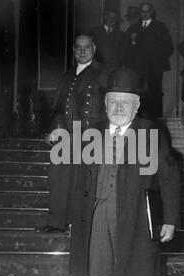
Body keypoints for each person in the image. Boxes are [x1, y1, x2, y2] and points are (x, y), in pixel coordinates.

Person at [69, 68, 181, 276]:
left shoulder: (153, 132)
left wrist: (170, 219)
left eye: (125, 103)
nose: (119, 108)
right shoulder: (92, 133)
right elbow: (79, 179)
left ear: (137, 106)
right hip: (96, 213)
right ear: (106, 104)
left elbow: (169, 178)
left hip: (136, 215)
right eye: (113, 102)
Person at [43, 35, 108, 233]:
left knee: (84, 182)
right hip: (67, 134)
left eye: (86, 47)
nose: (82, 51)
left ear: (94, 48)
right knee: (58, 176)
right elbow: (59, 106)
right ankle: (56, 223)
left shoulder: (103, 73)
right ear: (73, 50)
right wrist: (54, 129)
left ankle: (80, 226)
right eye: (78, 47)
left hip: (91, 135)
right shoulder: (69, 73)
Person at [130, 2, 174, 119]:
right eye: (142, 11)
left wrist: (156, 59)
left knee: (155, 93)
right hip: (138, 68)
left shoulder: (160, 26)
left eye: (147, 11)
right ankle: (140, 120)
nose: (145, 14)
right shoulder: (134, 27)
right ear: (140, 13)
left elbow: (169, 47)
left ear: (152, 12)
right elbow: (128, 49)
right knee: (139, 94)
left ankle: (156, 121)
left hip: (155, 68)